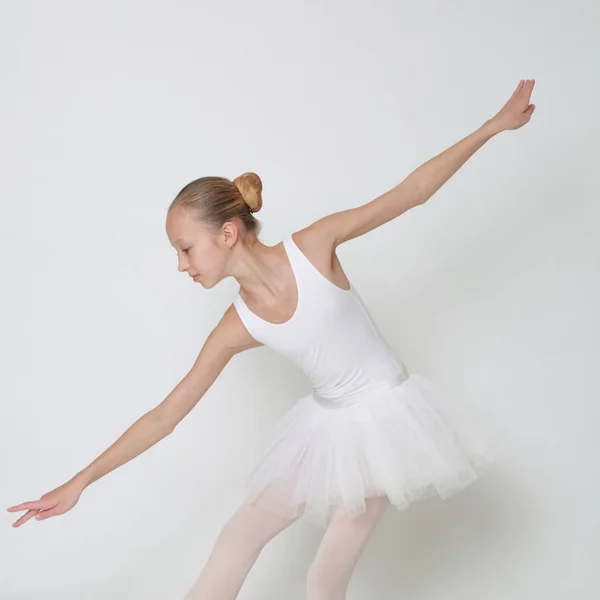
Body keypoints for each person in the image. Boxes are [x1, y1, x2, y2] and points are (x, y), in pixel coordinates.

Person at [8, 80, 536, 599]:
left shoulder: (313, 248)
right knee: (237, 538)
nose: (180, 265)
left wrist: (493, 127)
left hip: (385, 424)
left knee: (322, 581)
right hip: (324, 427)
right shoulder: (237, 325)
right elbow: (165, 417)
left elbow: (410, 194)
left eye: (185, 249)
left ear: (227, 233)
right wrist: (80, 481)